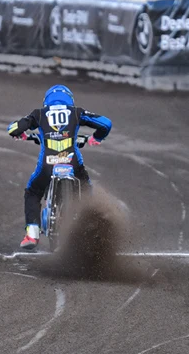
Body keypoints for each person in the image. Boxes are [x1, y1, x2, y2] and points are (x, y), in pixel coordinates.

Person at [7, 84, 112, 251]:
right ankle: (89, 229)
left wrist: (20, 134)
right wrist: (96, 138)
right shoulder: (76, 112)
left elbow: (13, 128)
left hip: (47, 165)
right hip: (73, 163)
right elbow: (105, 124)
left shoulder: (39, 114)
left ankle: (32, 233)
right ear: (69, 99)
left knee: (33, 192)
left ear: (46, 101)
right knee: (87, 191)